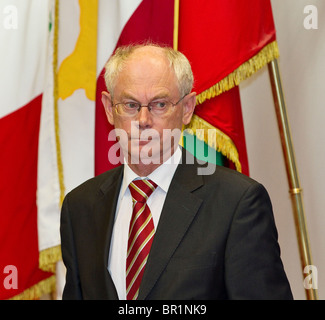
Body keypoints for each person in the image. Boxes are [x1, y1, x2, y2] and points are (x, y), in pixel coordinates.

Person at [60, 43, 293, 300]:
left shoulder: (237, 203)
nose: (143, 121)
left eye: (159, 104)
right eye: (130, 105)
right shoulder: (79, 207)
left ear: (187, 108)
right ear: (108, 108)